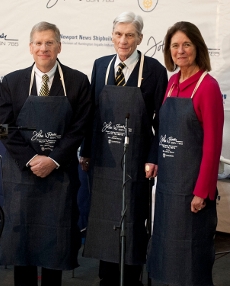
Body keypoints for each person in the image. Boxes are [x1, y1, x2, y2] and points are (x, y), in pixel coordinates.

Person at [0, 21, 91, 286]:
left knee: (55, 243)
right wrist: (31, 159)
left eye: (50, 43)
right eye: (38, 43)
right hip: (22, 175)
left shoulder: (77, 81)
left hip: (59, 176)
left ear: (59, 47)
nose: (44, 48)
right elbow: (4, 128)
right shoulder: (12, 82)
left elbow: (80, 127)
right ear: (30, 48)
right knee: (22, 243)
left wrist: (53, 159)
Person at [79, 11, 168, 285]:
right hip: (103, 159)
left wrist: (154, 158)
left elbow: (162, 119)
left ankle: (131, 278)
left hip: (138, 160)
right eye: (119, 34)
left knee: (132, 219)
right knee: (105, 217)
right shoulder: (100, 65)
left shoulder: (154, 70)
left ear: (140, 38)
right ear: (112, 36)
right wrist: (86, 151)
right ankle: (106, 277)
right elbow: (92, 113)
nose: (123, 40)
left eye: (130, 35)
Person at [147, 21, 224, 286]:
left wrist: (202, 192)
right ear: (169, 51)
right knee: (169, 257)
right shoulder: (171, 83)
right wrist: (154, 160)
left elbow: (213, 146)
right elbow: (164, 131)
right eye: (175, 46)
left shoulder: (208, 86)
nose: (181, 51)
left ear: (197, 47)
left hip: (194, 191)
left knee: (192, 261)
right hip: (169, 190)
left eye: (186, 45)